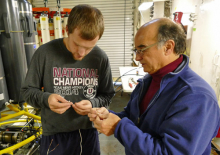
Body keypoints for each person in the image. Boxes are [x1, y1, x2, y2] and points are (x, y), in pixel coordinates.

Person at [88, 18, 220, 155]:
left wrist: (118, 127)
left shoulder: (196, 96)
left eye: (142, 49)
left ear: (168, 47)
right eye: (136, 50)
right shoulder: (149, 80)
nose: (137, 58)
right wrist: (110, 116)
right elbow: (132, 117)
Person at [21, 4, 115, 155]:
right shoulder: (45, 53)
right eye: (77, 44)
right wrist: (46, 99)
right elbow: (27, 91)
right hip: (54, 135)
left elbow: (107, 95)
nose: (81, 53)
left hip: (88, 134)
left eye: (89, 48)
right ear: (67, 30)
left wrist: (93, 103)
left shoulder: (100, 58)